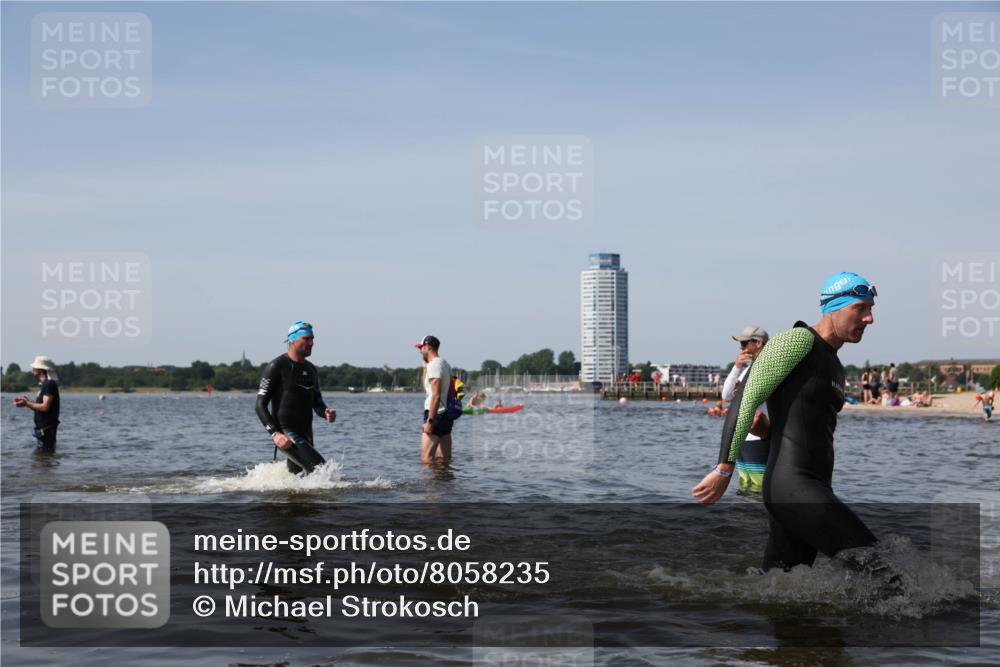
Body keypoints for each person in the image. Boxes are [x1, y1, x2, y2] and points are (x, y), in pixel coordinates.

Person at [693, 272, 884, 573]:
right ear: (835, 307)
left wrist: (768, 430)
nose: (869, 318)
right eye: (860, 308)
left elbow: (798, 425)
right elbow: (744, 399)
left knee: (784, 589)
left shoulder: (834, 364)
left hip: (809, 486)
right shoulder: (797, 340)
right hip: (793, 486)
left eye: (871, 309)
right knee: (876, 563)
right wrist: (723, 468)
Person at [699, 325, 771, 497]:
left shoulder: (769, 367)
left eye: (745, 343)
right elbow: (726, 395)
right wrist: (737, 367)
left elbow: (756, 396)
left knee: (759, 486)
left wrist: (741, 392)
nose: (741, 347)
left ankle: (758, 518)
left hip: (759, 436)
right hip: (743, 435)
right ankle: (744, 518)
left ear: (759, 343)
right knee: (745, 484)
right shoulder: (748, 368)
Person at [255, 321, 336, 475]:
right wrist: (275, 434)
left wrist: (325, 412)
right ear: (292, 340)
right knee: (321, 470)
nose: (311, 343)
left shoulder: (311, 369)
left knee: (298, 482)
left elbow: (317, 402)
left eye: (312, 339)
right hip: (286, 434)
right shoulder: (276, 366)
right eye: (306, 339)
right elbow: (260, 405)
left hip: (306, 433)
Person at [416, 335, 453, 462]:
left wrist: (430, 421)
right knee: (444, 460)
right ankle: (442, 482)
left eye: (421, 348)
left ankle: (428, 482)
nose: (420, 351)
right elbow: (427, 389)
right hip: (446, 415)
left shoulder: (435, 365)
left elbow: (436, 395)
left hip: (436, 415)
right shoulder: (444, 364)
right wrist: (425, 368)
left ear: (428, 347)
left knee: (426, 458)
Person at [13, 356, 61, 451]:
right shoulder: (46, 385)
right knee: (42, 460)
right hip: (43, 431)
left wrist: (27, 403)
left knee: (44, 459)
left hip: (47, 431)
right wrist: (27, 402)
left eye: (34, 367)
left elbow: (45, 407)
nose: (33, 369)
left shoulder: (49, 384)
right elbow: (41, 408)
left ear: (39, 369)